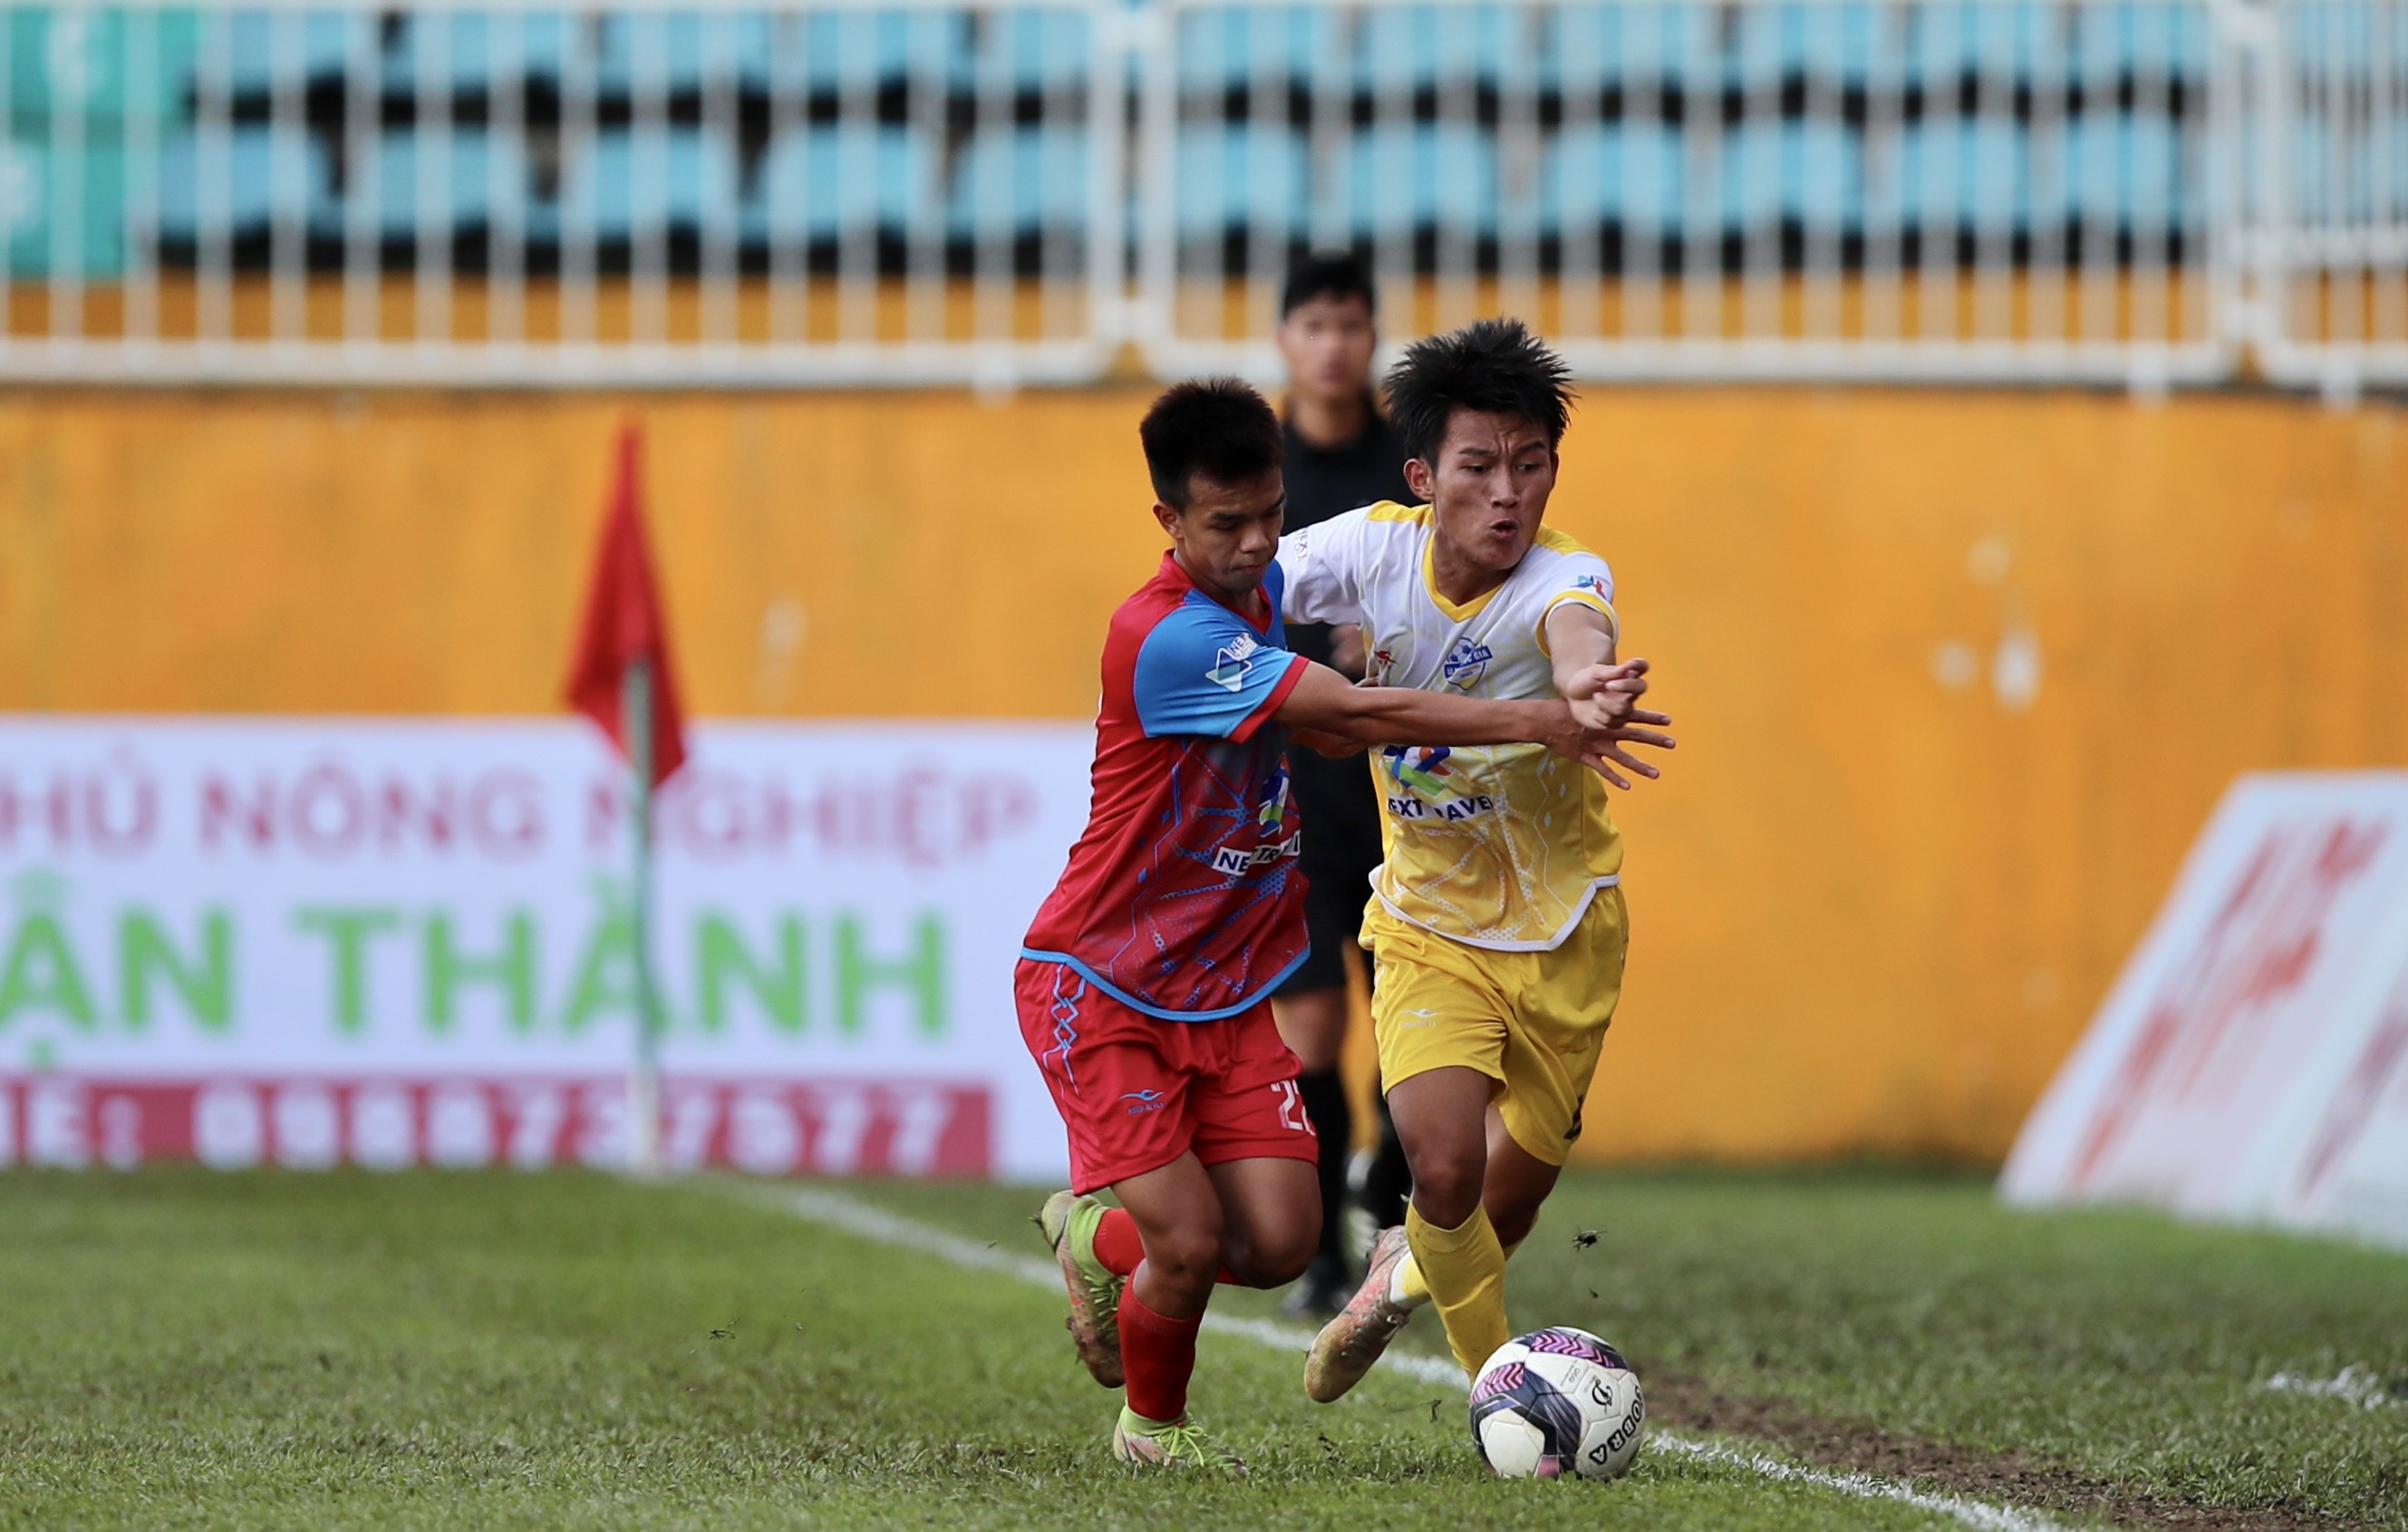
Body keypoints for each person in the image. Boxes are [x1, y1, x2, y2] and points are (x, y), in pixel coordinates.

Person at [1019, 376, 1670, 1471]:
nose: (1258, 542)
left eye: (1270, 515)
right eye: (1226, 524)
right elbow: (1355, 715)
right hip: (1110, 975)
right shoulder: (1170, 634)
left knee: (1276, 1242)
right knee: (1211, 1238)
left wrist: (1570, 682)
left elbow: (1528, 642)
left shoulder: (1275, 591)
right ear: (1168, 523)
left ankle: (1106, 1234)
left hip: (1234, 984)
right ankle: (1153, 1437)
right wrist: (1541, 721)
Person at [1281, 318, 1670, 1401]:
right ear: (1423, 475)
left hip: (1564, 933)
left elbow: (1578, 634)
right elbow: (1233, 595)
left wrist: (1584, 687)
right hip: (1425, 924)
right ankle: (1511, 1398)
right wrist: (1265, 679)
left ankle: (1392, 1270)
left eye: (1529, 465)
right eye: (1478, 466)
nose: (1507, 492)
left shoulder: (1565, 575)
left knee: (1502, 1210)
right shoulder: (1362, 550)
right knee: (1441, 1165)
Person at [1268, 253, 1415, 1314]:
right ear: (1283, 338)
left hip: (1400, 791)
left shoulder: (1409, 461)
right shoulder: (1254, 468)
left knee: (1408, 1021)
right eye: (1312, 324)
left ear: (1371, 338)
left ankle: (1390, 1218)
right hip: (1285, 800)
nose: (1331, 344)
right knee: (1308, 1031)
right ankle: (1321, 1249)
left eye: (1348, 324)